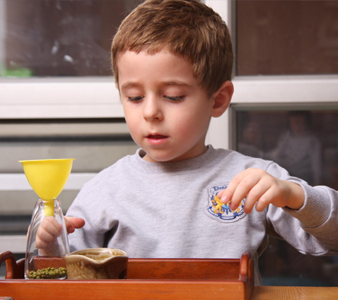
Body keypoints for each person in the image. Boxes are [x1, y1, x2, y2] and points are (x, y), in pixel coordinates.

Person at [36, 0, 338, 285]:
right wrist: (52, 250)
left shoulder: (253, 180)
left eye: (173, 96)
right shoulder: (103, 191)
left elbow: (332, 240)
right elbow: (70, 281)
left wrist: (294, 195)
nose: (151, 112)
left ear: (218, 100)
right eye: (135, 97)